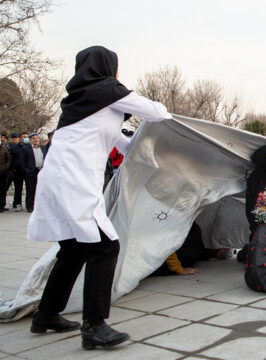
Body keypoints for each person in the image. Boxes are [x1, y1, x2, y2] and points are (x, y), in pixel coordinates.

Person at [27, 46, 171, 350]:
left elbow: (119, 140)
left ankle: (46, 315)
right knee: (106, 246)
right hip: (73, 181)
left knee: (73, 249)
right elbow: (157, 112)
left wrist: (135, 142)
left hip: (57, 178)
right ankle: (94, 326)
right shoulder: (107, 89)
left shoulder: (78, 100)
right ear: (108, 68)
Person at [151, 223, 232, 276]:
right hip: (182, 252)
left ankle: (214, 252)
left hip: (185, 249)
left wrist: (178, 268)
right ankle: (214, 252)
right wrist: (178, 269)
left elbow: (165, 244)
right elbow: (165, 244)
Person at [20, 133, 48, 212]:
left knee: (41, 190)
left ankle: (41, 206)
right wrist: (27, 170)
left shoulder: (43, 148)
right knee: (30, 190)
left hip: (41, 171)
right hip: (31, 171)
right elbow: (22, 161)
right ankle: (30, 206)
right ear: (30, 140)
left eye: (37, 138)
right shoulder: (26, 149)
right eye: (33, 138)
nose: (36, 140)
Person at [8, 132, 26, 211]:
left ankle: (29, 204)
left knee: (30, 188)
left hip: (27, 170)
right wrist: (13, 169)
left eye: (26, 137)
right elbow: (11, 160)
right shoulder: (14, 149)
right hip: (17, 171)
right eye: (23, 137)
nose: (24, 138)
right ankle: (17, 203)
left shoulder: (29, 147)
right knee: (18, 188)